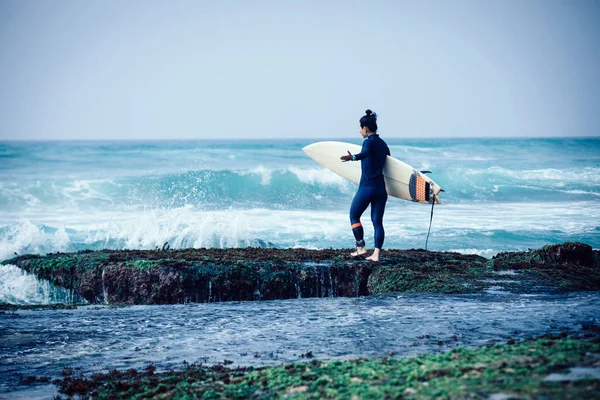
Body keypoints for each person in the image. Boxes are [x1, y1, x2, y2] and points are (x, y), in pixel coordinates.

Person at [340, 109, 390, 262]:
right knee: (377, 222)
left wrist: (353, 157)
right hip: (381, 189)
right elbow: (390, 164)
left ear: (366, 128)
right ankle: (376, 254)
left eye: (360, 128)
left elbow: (366, 152)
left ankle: (361, 248)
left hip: (367, 188)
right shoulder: (382, 144)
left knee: (354, 215)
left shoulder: (368, 142)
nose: (359, 131)